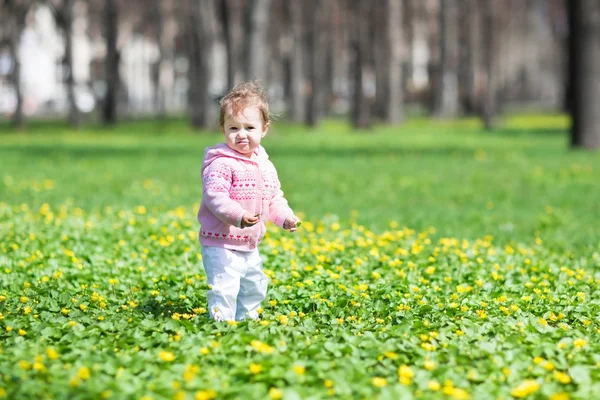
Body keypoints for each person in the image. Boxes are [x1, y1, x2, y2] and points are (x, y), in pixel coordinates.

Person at [197, 81, 300, 322]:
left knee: (254, 285)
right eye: (233, 128)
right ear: (223, 128)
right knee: (224, 287)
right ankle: (222, 326)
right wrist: (238, 215)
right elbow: (215, 197)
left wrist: (285, 217)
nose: (241, 134)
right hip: (220, 243)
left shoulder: (264, 164)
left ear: (264, 129)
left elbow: (274, 197)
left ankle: (247, 322)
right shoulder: (221, 163)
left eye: (249, 127)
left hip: (250, 242)